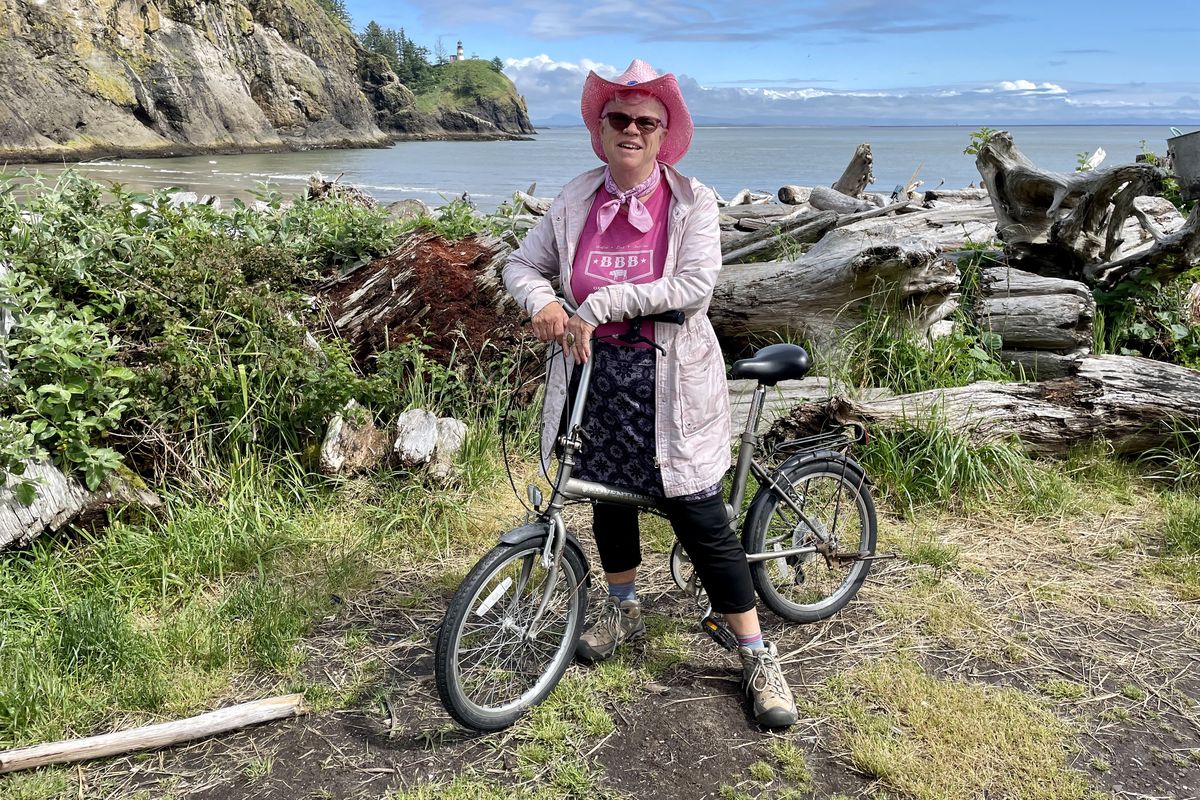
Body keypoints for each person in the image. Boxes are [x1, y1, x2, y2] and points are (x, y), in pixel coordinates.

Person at [502, 59, 797, 728]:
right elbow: (520, 263)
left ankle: (755, 653)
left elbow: (694, 287)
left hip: (671, 388)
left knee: (701, 518)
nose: (631, 130)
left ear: (665, 135)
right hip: (593, 383)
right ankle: (623, 607)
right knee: (605, 495)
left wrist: (603, 301)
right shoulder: (575, 199)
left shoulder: (693, 202)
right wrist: (543, 301)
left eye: (646, 122)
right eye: (619, 119)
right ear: (600, 129)